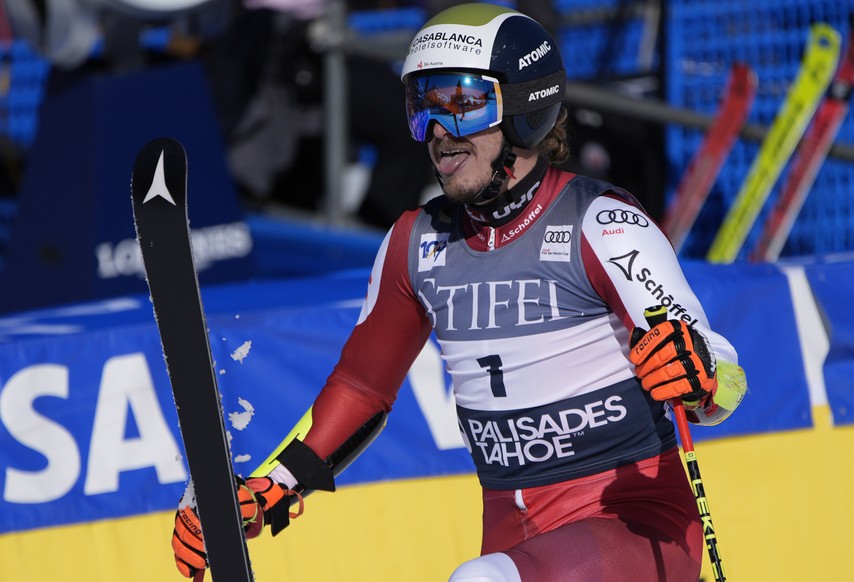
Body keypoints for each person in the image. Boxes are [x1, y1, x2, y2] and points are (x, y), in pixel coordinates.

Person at [171, 4, 748, 581]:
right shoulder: (416, 243)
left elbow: (717, 368)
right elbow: (362, 388)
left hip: (632, 524)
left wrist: (700, 372)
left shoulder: (601, 222)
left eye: (461, 104)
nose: (439, 132)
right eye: (421, 106)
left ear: (524, 108)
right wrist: (269, 490)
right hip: (514, 541)